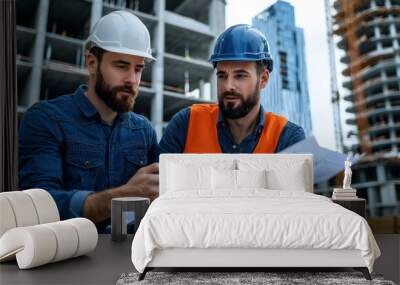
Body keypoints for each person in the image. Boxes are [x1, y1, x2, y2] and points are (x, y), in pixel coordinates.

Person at [19, 11, 159, 232]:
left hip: (131, 258)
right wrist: (124, 196)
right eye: (121, 66)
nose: (132, 80)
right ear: (92, 63)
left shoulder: (144, 131)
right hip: (69, 259)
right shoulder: (45, 119)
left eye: (138, 69)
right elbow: (36, 208)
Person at [160, 24, 305, 154]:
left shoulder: (287, 137)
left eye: (240, 76)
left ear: (263, 79)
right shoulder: (186, 123)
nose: (228, 86)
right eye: (222, 76)